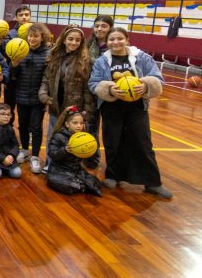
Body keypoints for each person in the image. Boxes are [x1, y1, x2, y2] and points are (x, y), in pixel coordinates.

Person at [89, 27, 171, 198]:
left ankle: (152, 183)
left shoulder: (142, 58)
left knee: (143, 144)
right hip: (111, 108)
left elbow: (158, 78)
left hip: (137, 108)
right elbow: (94, 83)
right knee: (113, 143)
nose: (115, 42)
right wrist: (109, 90)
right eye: (112, 39)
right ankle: (113, 175)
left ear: (127, 39)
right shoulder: (101, 61)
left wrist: (146, 85)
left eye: (119, 38)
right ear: (107, 42)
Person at [39, 24, 94, 173]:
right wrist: (44, 95)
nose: (73, 43)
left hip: (75, 109)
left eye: (77, 40)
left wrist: (87, 111)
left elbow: (88, 89)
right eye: (70, 39)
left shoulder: (86, 61)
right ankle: (50, 165)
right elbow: (46, 78)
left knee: (74, 139)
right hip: (56, 106)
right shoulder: (54, 56)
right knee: (53, 136)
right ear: (64, 40)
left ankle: (72, 168)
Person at [10, 23, 49, 169]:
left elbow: (48, 79)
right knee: (23, 126)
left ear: (42, 37)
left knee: (36, 128)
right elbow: (12, 77)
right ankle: (25, 150)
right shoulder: (20, 51)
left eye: (36, 36)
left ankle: (35, 156)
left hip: (37, 99)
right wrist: (13, 65)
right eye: (30, 36)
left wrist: (45, 96)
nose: (32, 39)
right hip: (21, 96)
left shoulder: (48, 54)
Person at [45, 106, 102, 196]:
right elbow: (52, 154)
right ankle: (81, 185)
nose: (79, 126)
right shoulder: (58, 136)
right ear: (67, 124)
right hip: (58, 170)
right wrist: (65, 150)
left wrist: (90, 150)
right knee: (54, 180)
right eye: (75, 123)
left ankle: (79, 185)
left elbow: (87, 158)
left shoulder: (84, 137)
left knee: (95, 181)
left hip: (76, 170)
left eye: (81, 123)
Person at [85, 14, 114, 167]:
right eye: (97, 26)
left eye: (104, 26)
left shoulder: (115, 45)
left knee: (110, 131)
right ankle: (91, 157)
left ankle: (114, 164)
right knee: (90, 127)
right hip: (92, 92)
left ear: (110, 28)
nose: (99, 29)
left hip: (112, 94)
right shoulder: (88, 45)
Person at [0, 5, 33, 126]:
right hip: (12, 76)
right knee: (9, 107)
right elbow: (5, 51)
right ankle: (8, 129)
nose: (24, 17)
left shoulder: (36, 34)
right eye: (21, 15)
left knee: (27, 110)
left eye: (26, 14)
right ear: (16, 17)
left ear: (30, 16)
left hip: (29, 76)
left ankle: (27, 132)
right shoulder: (10, 34)